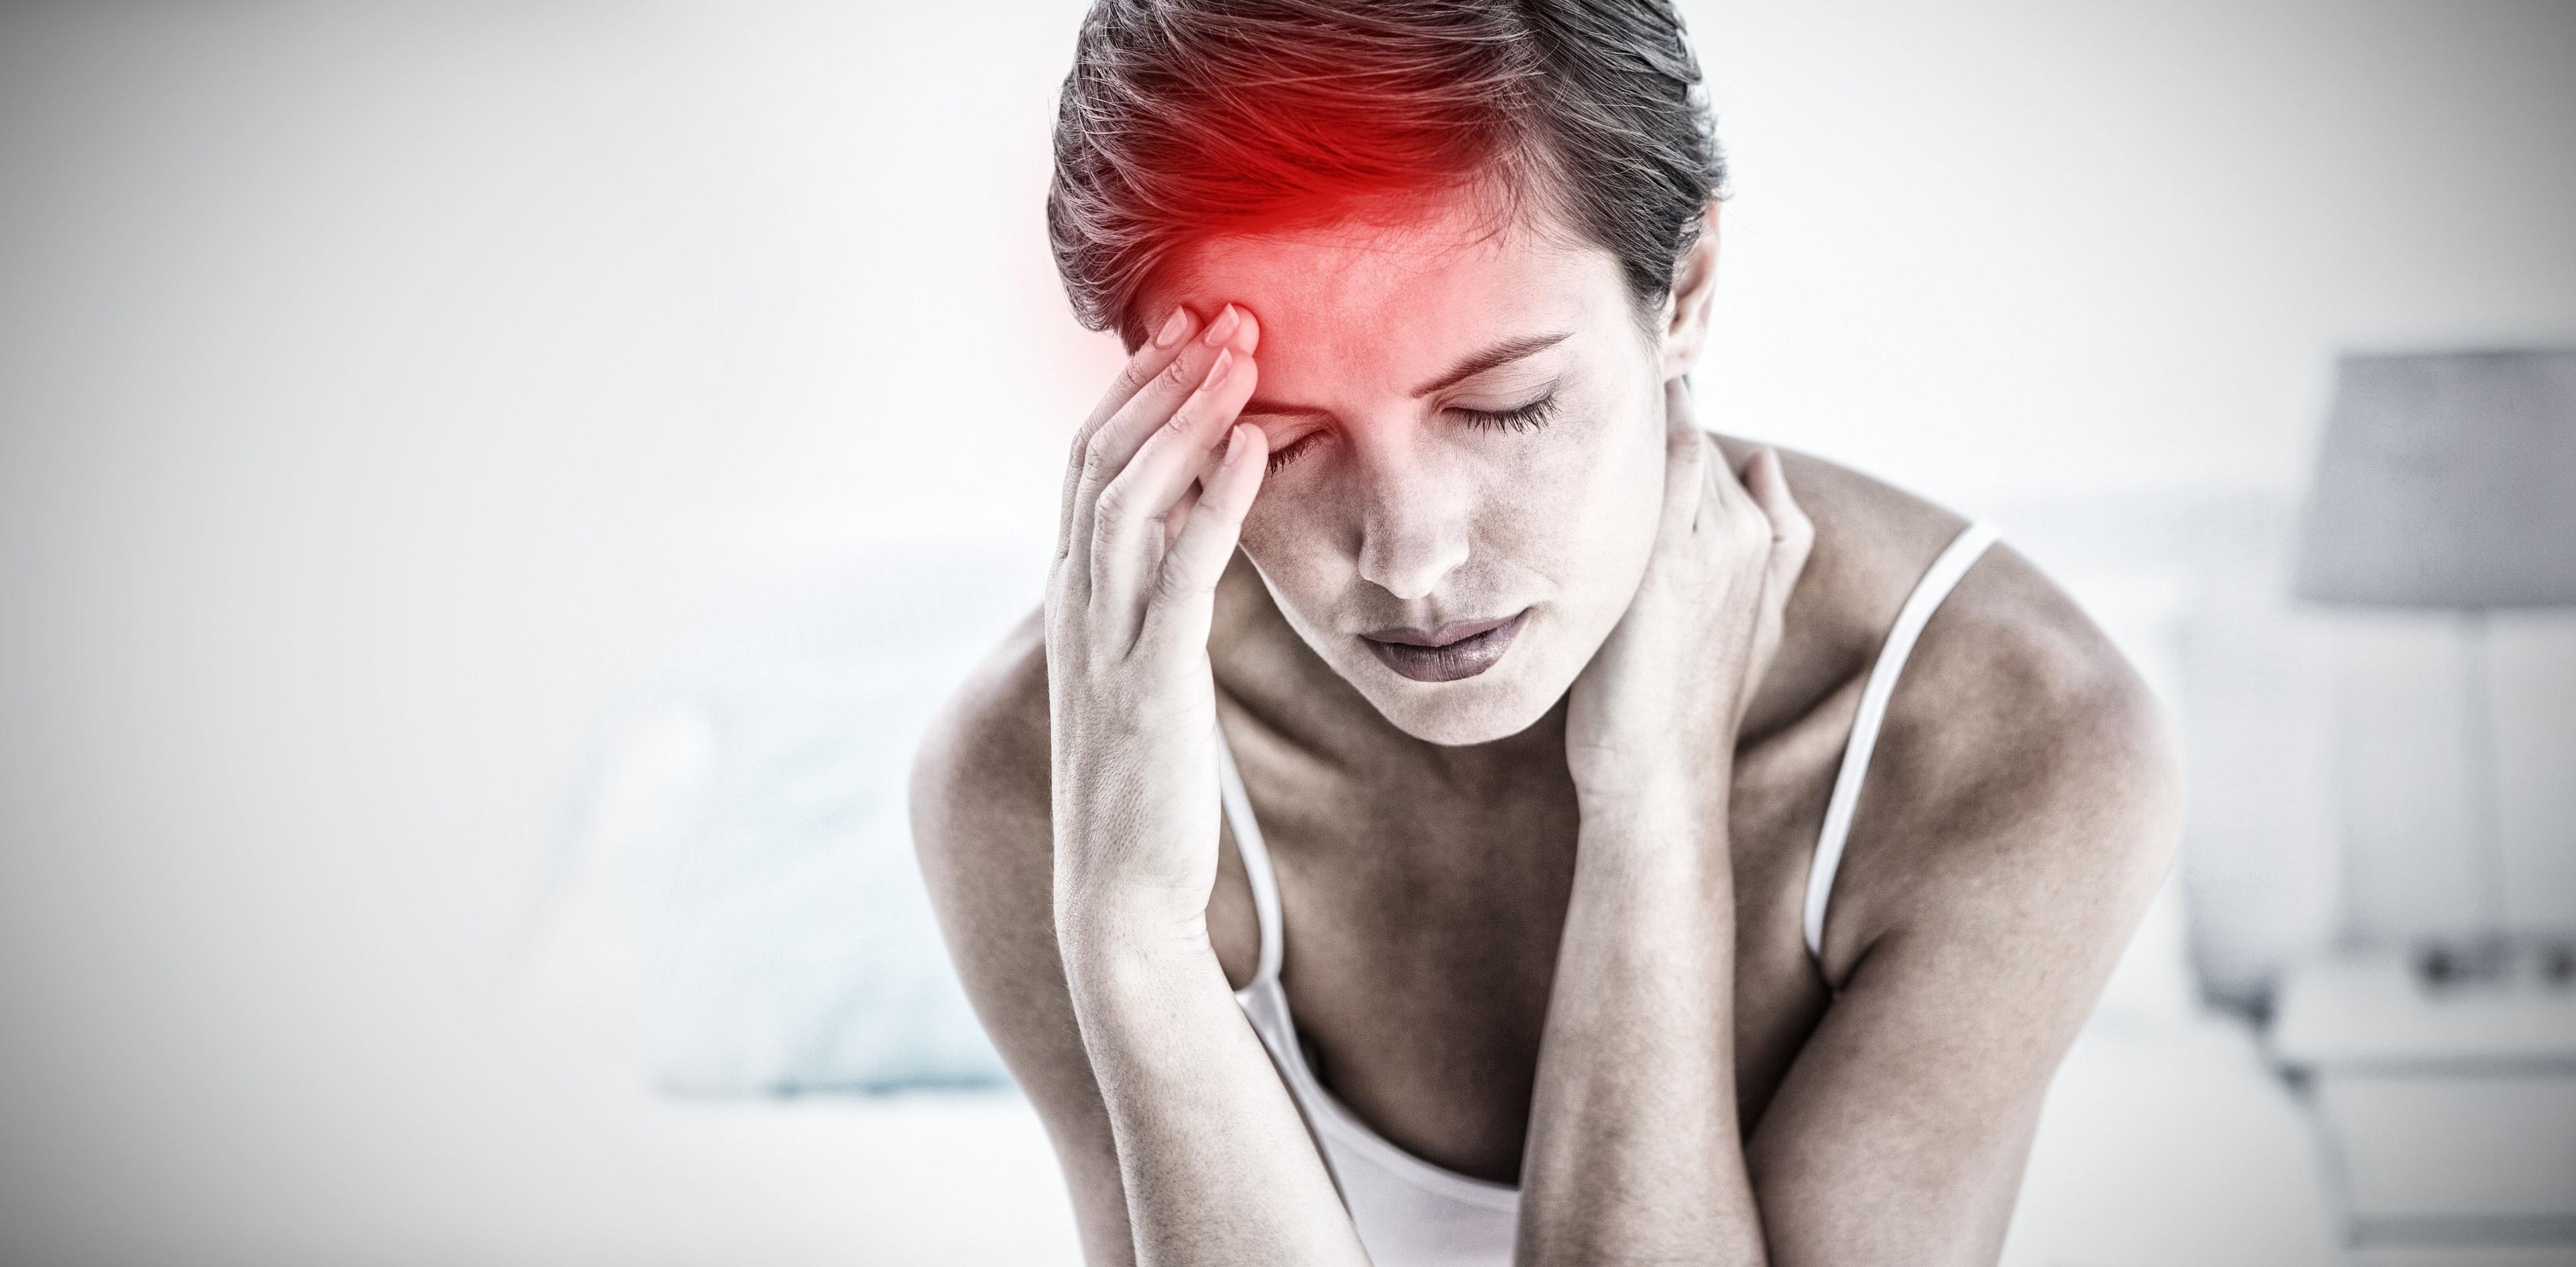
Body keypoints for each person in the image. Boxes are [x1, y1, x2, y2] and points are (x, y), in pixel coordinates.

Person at [911, 2, 2180, 1264]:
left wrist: (1653, 812)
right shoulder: (1041, 779)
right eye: (1283, 440)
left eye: (1505, 407)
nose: (1408, 556)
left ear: (1681, 291)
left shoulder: (2016, 735)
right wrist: (1137, 944)